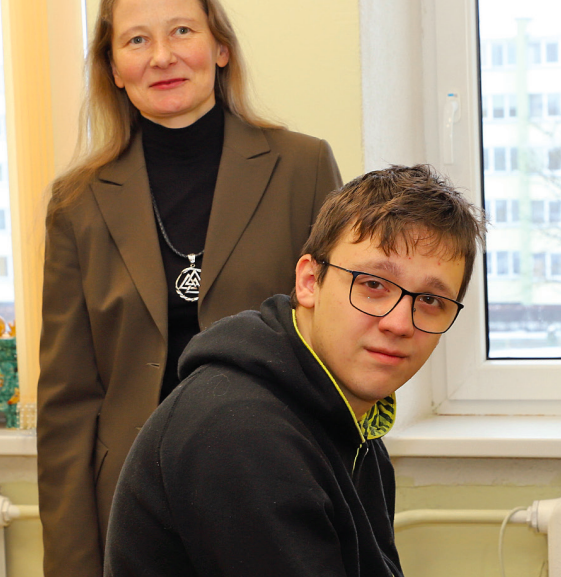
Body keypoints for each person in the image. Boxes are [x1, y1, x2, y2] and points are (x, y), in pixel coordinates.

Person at [37, 0, 342, 577]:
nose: (162, 57)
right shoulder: (77, 203)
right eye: (136, 40)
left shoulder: (303, 167)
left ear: (220, 48)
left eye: (182, 31)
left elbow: (337, 347)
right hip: (133, 504)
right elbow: (67, 404)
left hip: (277, 484)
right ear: (113, 69)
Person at [102, 165, 486, 576]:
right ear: (309, 281)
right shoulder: (241, 431)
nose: (399, 323)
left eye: (429, 300)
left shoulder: (351, 422)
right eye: (373, 284)